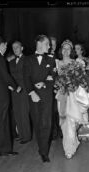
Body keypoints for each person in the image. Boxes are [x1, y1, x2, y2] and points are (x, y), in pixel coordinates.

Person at [23, 35, 56, 163]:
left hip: (47, 95)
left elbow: (52, 77)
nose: (50, 47)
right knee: (37, 123)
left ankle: (44, 152)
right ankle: (41, 147)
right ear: (40, 44)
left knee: (46, 123)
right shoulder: (28, 59)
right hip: (34, 96)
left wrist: (44, 83)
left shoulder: (51, 59)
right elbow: (26, 78)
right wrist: (32, 92)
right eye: (48, 44)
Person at [0, 35, 21, 156]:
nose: (6, 47)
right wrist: (16, 86)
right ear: (1, 45)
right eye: (6, 45)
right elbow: (6, 76)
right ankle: (3, 149)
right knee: (3, 121)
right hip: (2, 97)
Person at [9, 41, 32, 144]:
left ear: (22, 48)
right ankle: (21, 135)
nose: (15, 49)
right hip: (14, 91)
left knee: (24, 113)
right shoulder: (11, 61)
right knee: (17, 113)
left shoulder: (27, 60)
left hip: (24, 90)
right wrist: (11, 85)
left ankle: (27, 136)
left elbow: (28, 76)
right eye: (13, 48)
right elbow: (9, 76)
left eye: (17, 47)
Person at [49, 36, 62, 140]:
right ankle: (53, 133)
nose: (52, 46)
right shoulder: (44, 57)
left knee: (60, 110)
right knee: (52, 111)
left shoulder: (59, 57)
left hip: (59, 87)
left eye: (54, 44)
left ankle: (62, 131)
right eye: (51, 44)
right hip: (49, 89)